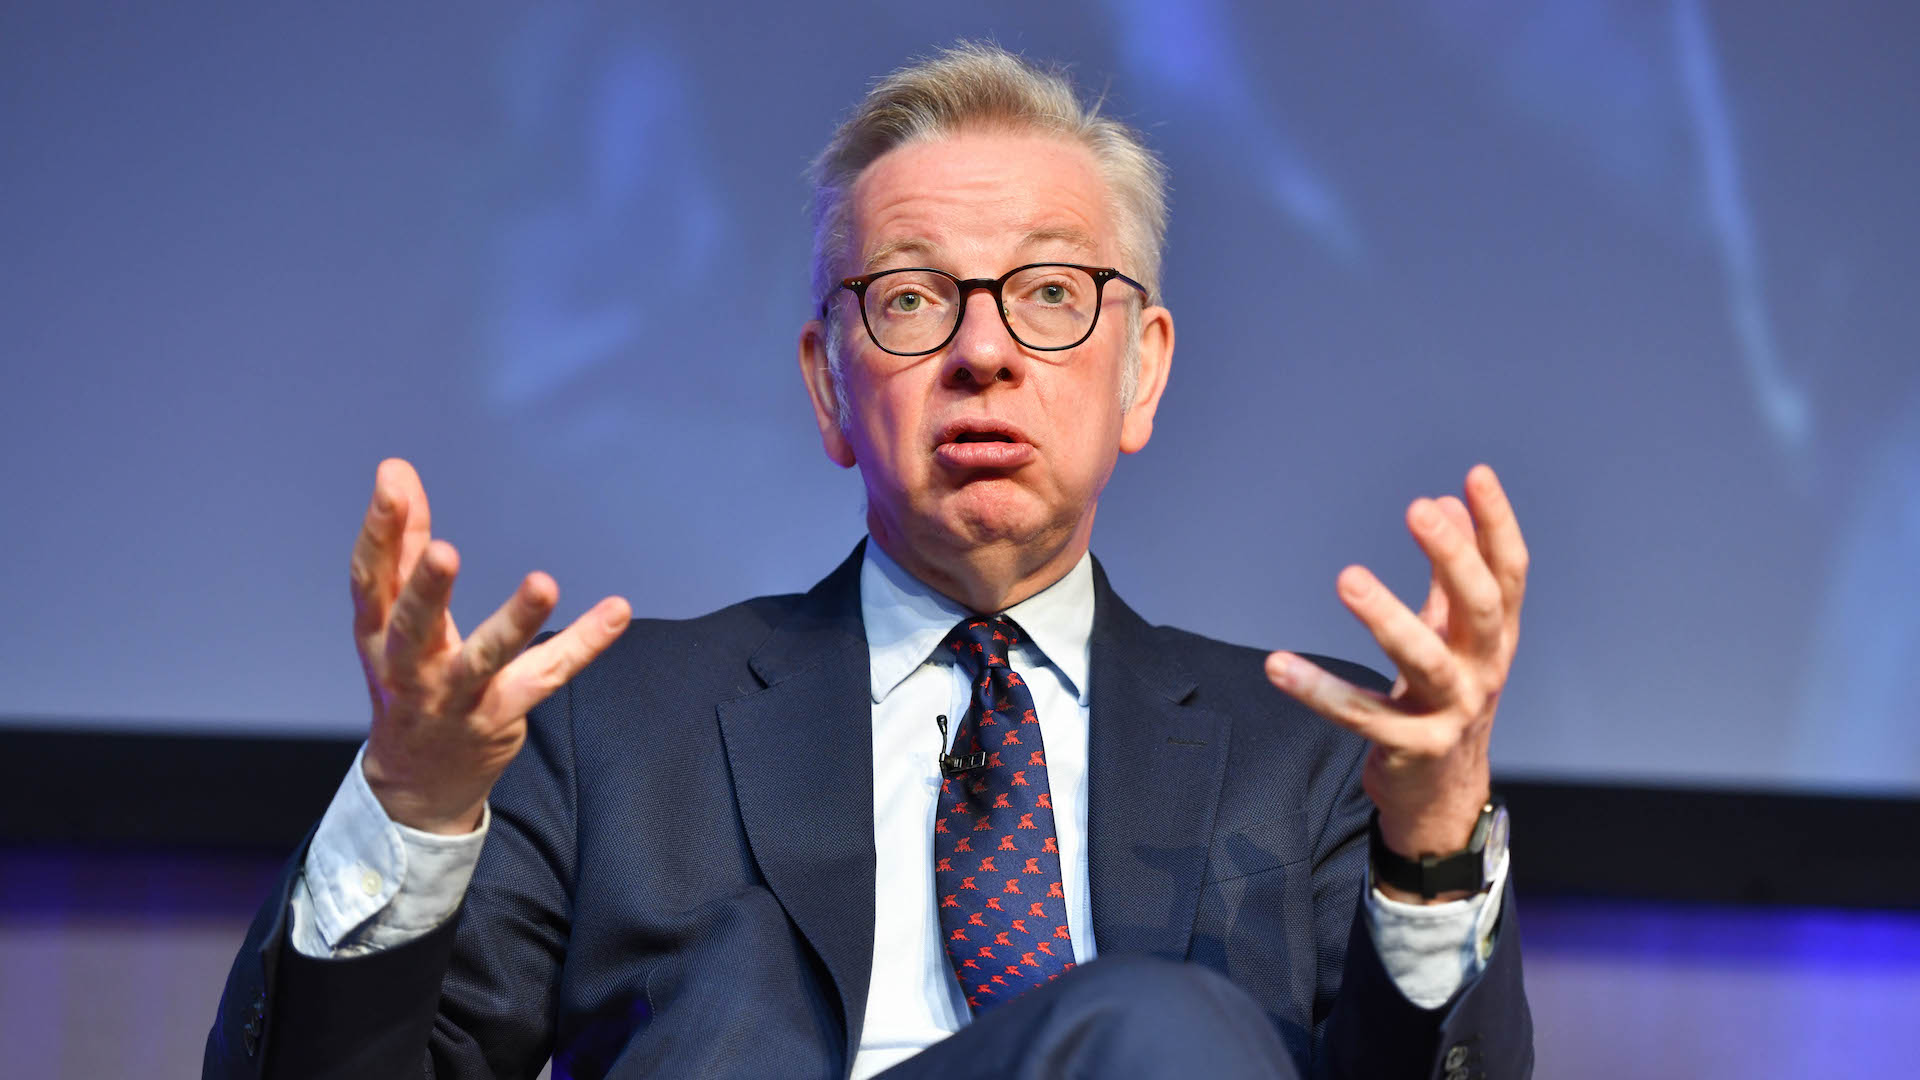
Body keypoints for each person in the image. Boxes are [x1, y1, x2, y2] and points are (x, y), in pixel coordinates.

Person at [207, 43, 1532, 1079]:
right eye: (909, 298)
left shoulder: (1309, 760)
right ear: (831, 388)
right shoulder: (610, 732)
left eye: (1053, 293)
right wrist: (415, 803)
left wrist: (1428, 856)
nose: (984, 351)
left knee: (1152, 1033)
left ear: (1145, 372)